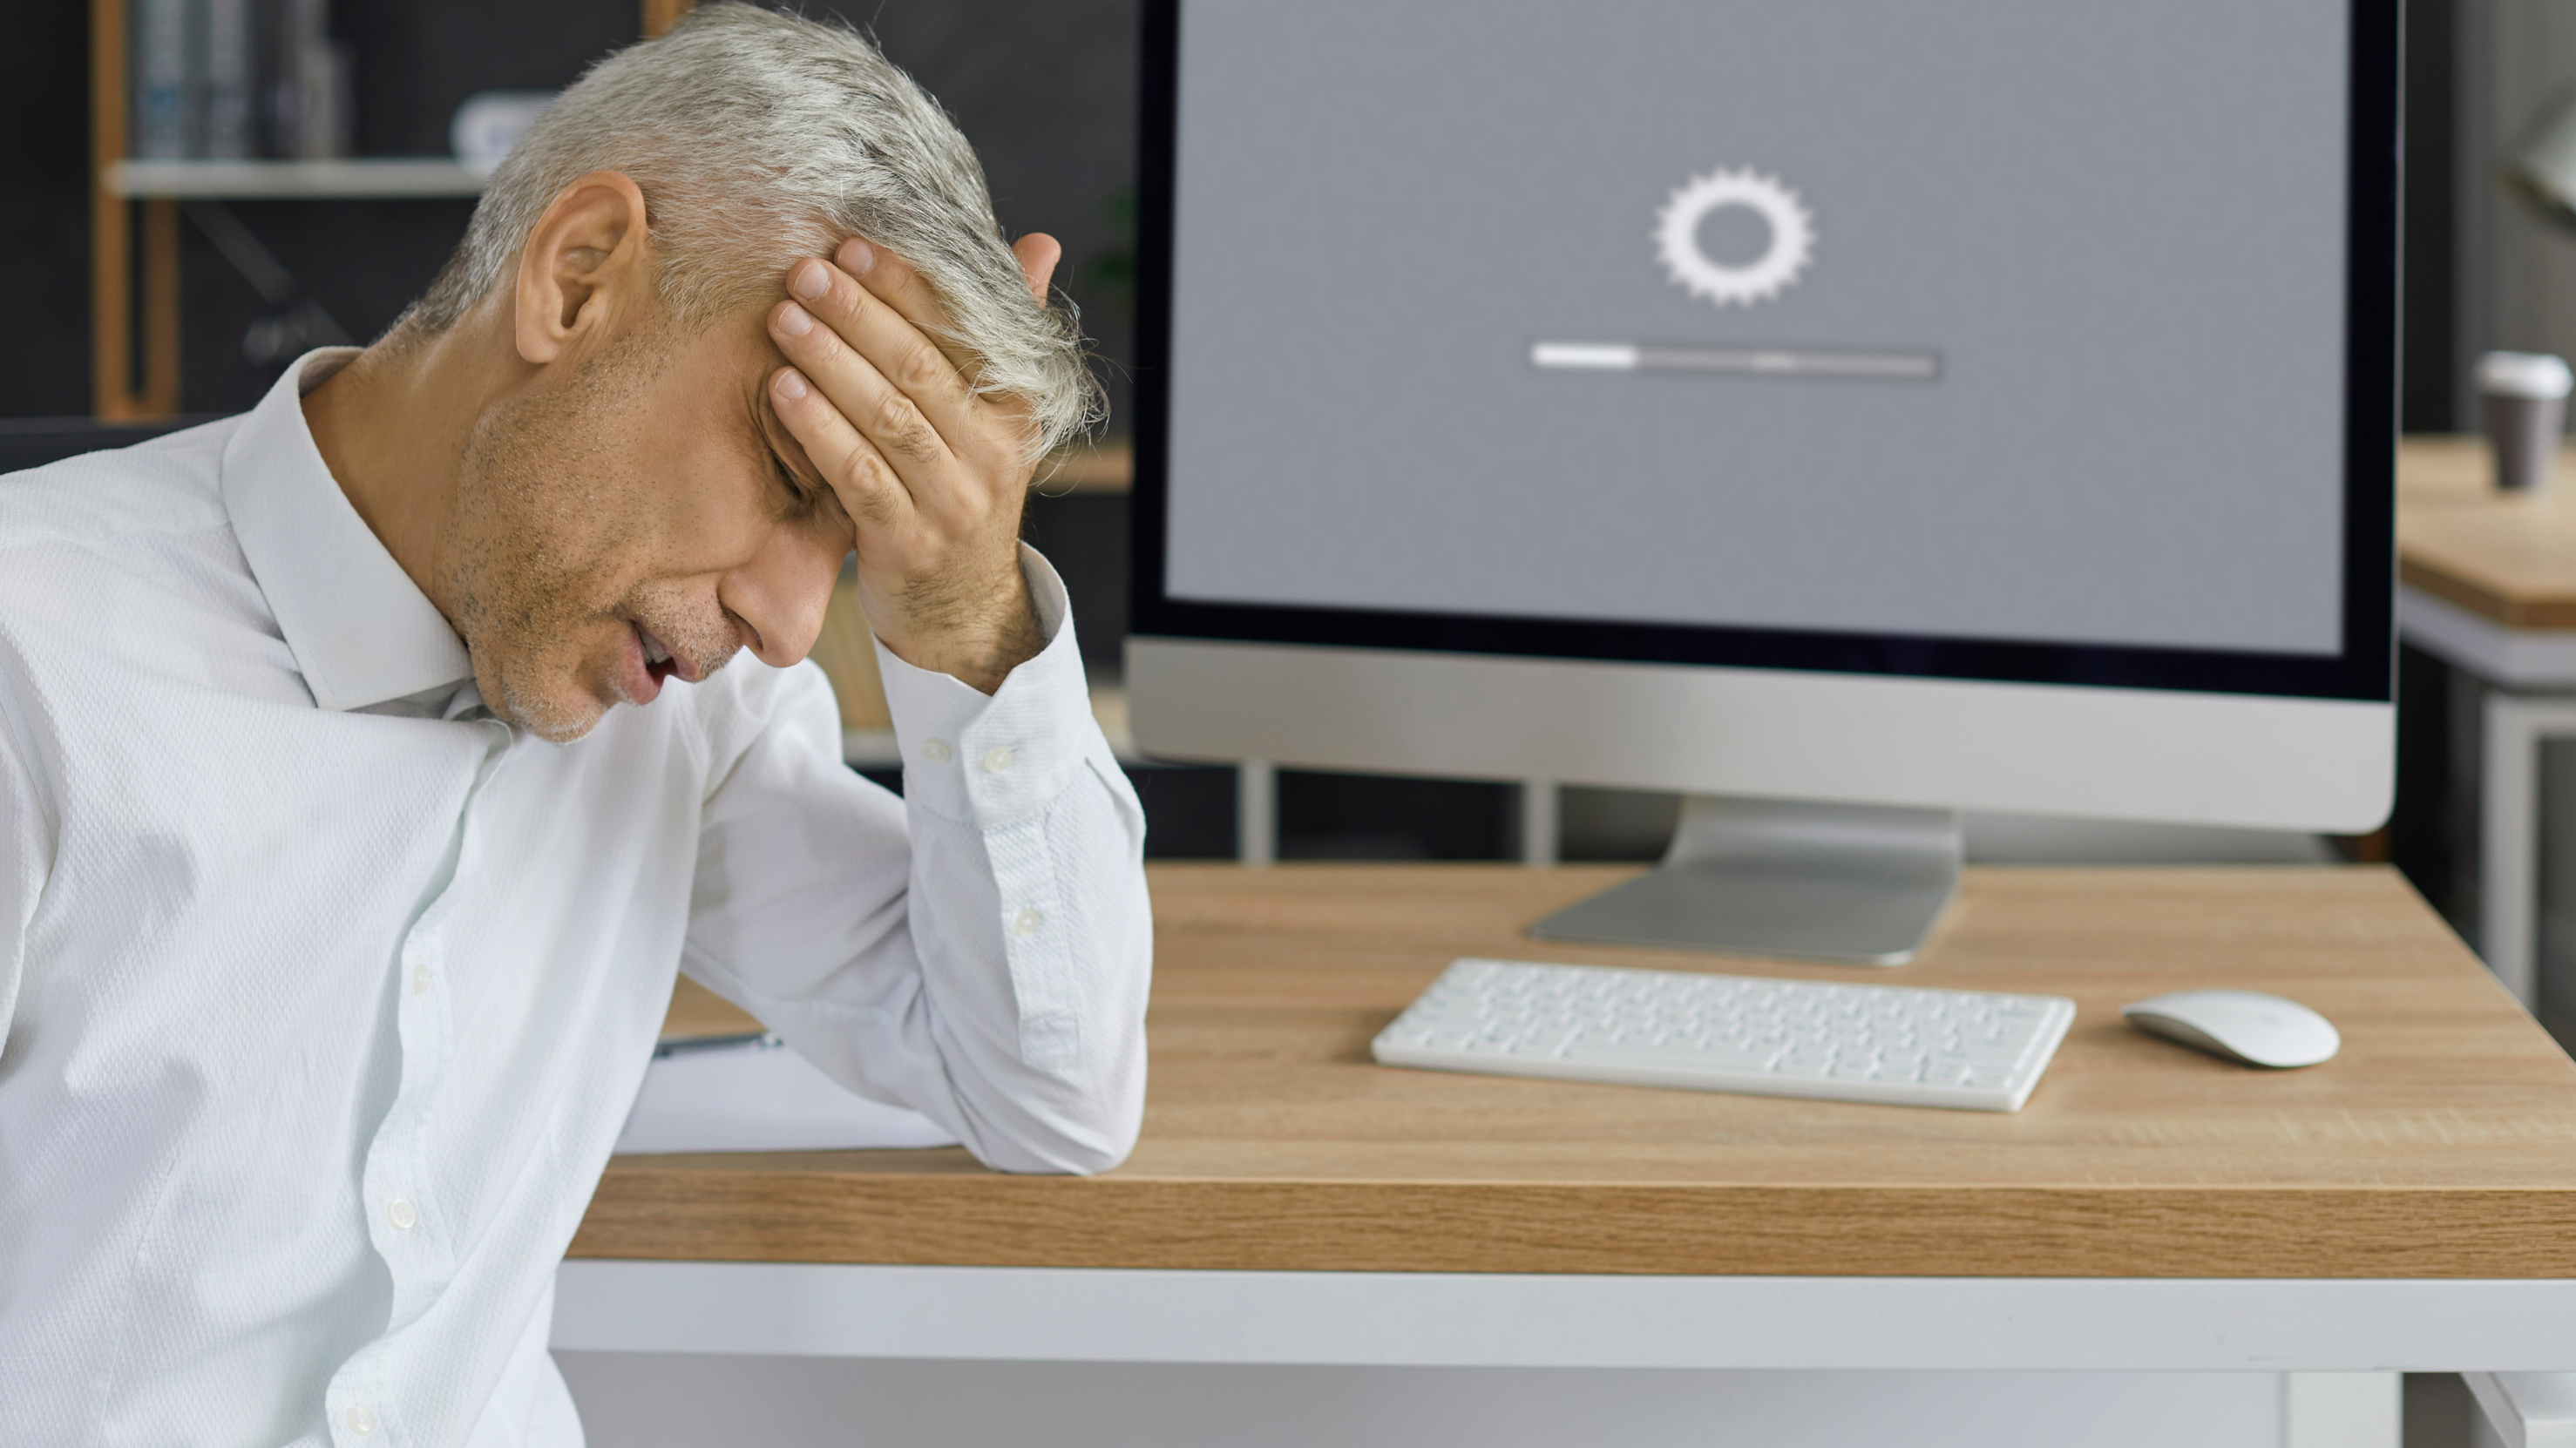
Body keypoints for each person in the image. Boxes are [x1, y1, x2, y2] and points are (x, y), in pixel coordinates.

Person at [0, 6, 1150, 1444]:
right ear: (580, 275)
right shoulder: (31, 658)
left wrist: (966, 608)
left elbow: (1048, 1092)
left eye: (853, 543)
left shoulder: (692, 710)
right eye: (791, 474)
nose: (794, 627)